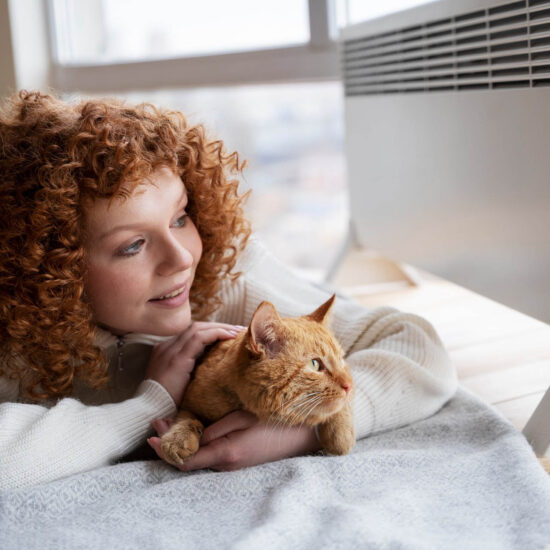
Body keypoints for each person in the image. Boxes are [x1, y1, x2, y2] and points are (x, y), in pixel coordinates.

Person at [0, 91, 457, 490]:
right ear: (52, 268)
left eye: (181, 217)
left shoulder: (230, 279)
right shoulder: (15, 341)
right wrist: (149, 404)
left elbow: (420, 347)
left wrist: (302, 431)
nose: (181, 258)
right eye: (133, 245)